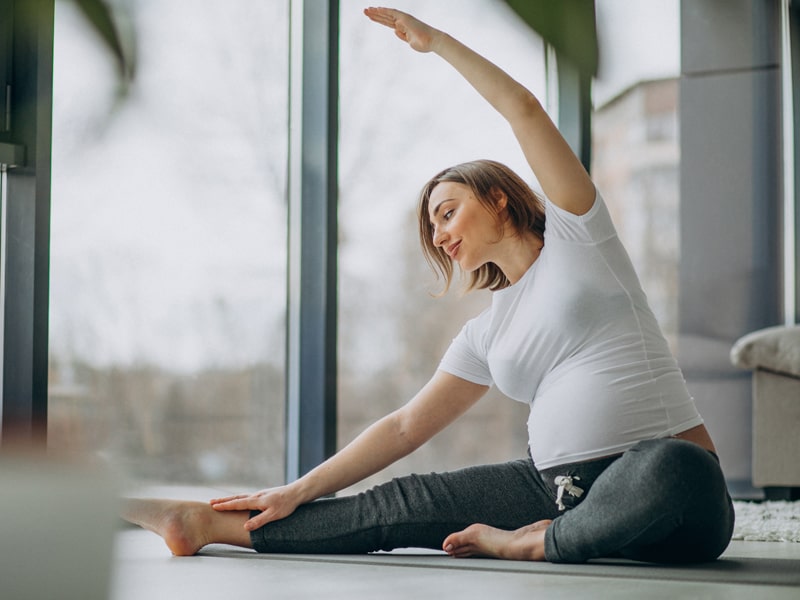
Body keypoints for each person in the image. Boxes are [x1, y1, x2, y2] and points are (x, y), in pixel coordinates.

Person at [123, 7, 734, 564]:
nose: (439, 236)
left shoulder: (581, 238)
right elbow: (404, 428)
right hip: (549, 487)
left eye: (447, 212)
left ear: (498, 197)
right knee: (402, 502)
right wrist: (299, 487)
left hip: (667, 490)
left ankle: (537, 543)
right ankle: (202, 524)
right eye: (431, 228)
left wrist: (437, 43)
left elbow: (524, 107)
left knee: (676, 469)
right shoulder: (486, 332)